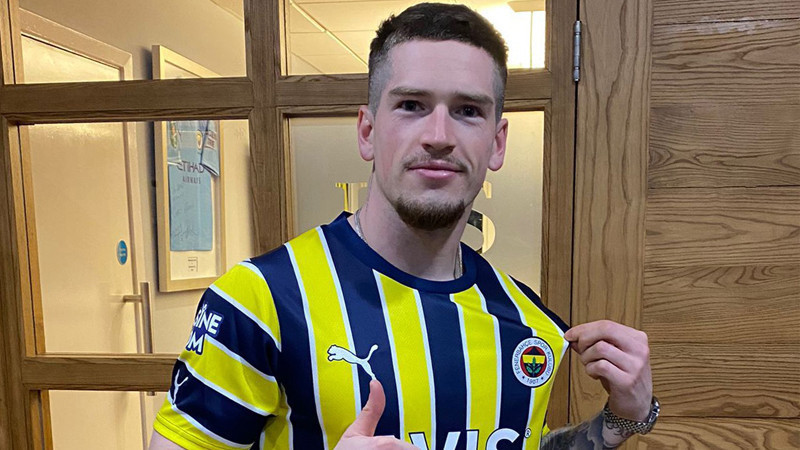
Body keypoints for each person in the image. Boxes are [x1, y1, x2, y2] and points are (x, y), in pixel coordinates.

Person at [150, 3, 656, 449]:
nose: (438, 135)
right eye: (412, 105)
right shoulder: (260, 301)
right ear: (368, 131)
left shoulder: (526, 319)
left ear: (497, 143)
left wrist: (620, 420)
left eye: (468, 110)